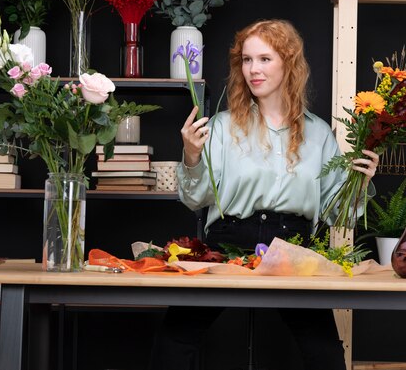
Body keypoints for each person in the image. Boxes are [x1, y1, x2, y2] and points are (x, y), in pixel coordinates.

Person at [151, 19, 380, 370]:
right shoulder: (221, 127)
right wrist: (192, 156)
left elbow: (340, 215)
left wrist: (360, 184)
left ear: (289, 63)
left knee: (325, 353)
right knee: (174, 340)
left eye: (264, 59)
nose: (253, 70)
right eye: (246, 60)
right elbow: (194, 200)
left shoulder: (319, 134)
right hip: (227, 243)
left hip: (294, 249)